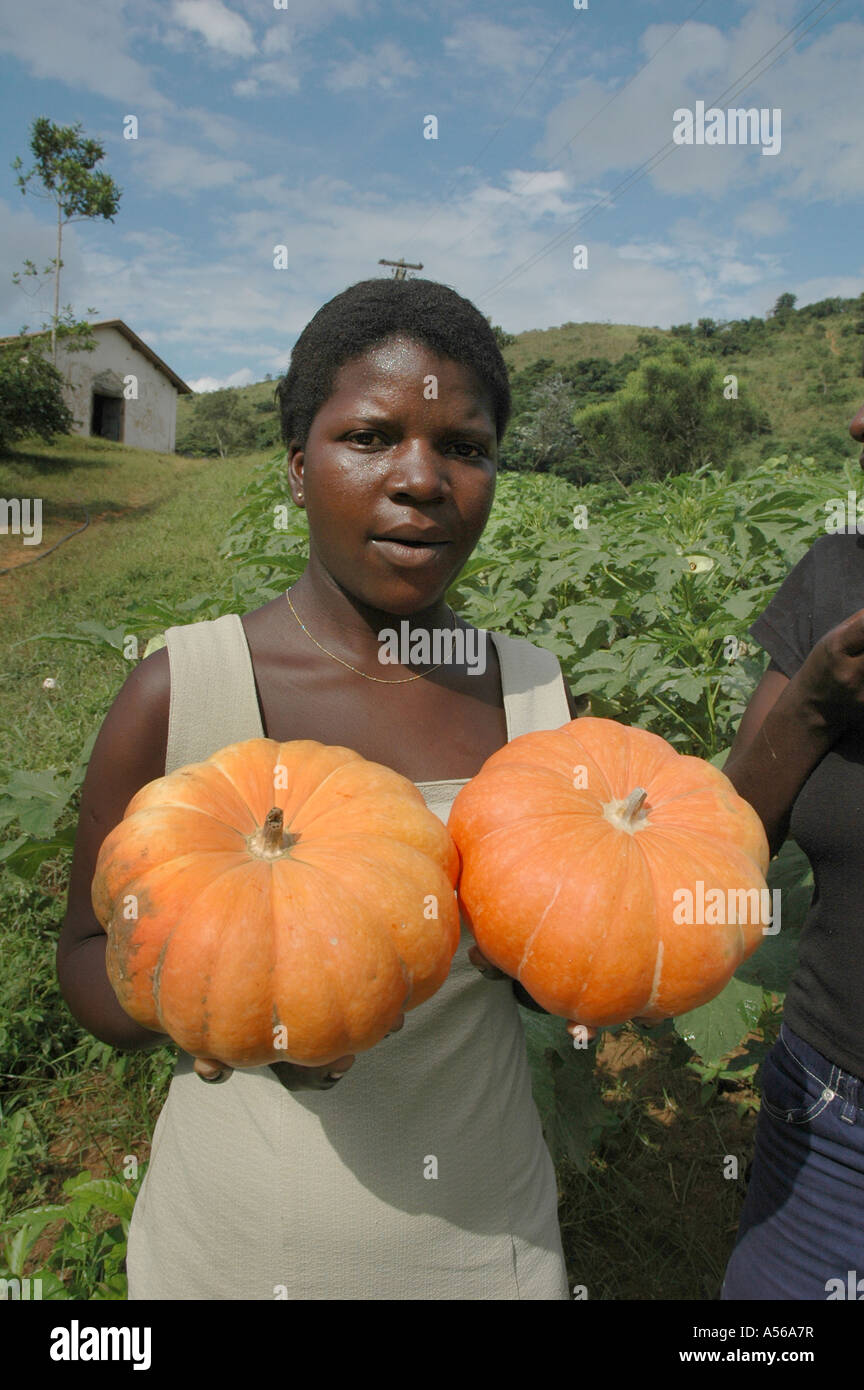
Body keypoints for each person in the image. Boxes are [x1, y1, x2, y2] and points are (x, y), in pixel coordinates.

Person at [56, 276, 588, 1301]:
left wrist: (593, 956)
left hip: (486, 1247)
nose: (421, 479)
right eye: (371, 436)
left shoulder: (536, 693)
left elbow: (550, 969)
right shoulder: (185, 689)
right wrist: (206, 1005)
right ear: (299, 469)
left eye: (465, 448)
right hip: (232, 1254)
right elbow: (87, 950)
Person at [720, 399, 864, 1300]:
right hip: (833, 1111)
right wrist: (814, 702)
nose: (854, 422)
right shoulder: (836, 574)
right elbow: (729, 839)